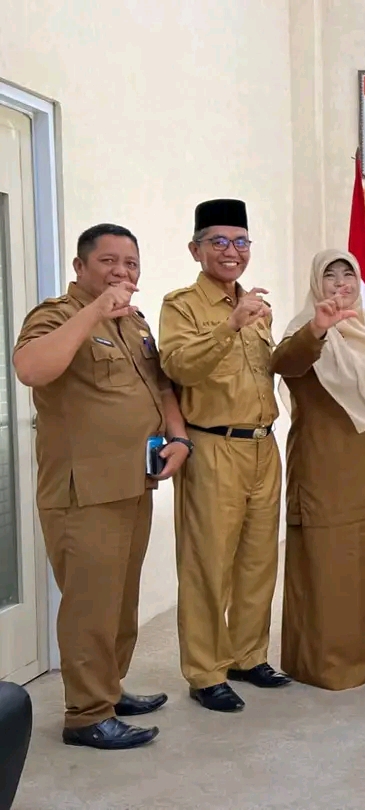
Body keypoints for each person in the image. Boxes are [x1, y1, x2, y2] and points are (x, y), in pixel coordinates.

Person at [12, 224, 192, 749]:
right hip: (83, 490)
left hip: (134, 481)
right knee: (90, 607)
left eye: (131, 263)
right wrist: (93, 312)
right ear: (80, 267)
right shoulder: (56, 315)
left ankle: (108, 690)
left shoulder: (133, 321)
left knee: (120, 601)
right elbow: (31, 369)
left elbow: (160, 385)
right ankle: (86, 715)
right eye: (109, 261)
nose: (122, 272)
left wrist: (179, 438)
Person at [159, 199, 290, 713]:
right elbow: (179, 367)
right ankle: (206, 671)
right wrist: (229, 325)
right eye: (218, 241)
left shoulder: (258, 306)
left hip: (263, 445)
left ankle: (248, 656)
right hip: (212, 445)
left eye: (240, 242)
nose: (231, 251)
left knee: (258, 560)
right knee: (207, 565)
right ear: (196, 250)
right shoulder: (182, 305)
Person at [269, 249, 365, 689]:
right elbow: (284, 362)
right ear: (317, 283)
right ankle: (327, 664)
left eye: (349, 274)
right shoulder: (304, 328)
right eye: (331, 275)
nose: (341, 283)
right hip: (328, 471)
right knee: (330, 572)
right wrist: (318, 329)